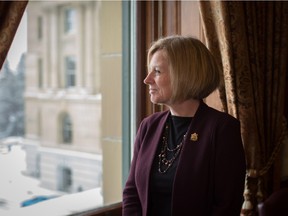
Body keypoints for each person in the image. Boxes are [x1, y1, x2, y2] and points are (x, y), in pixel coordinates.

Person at [122, 35, 246, 216]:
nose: (147, 79)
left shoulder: (222, 129)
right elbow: (132, 192)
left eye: (156, 71)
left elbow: (226, 205)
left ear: (184, 74)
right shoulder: (149, 126)